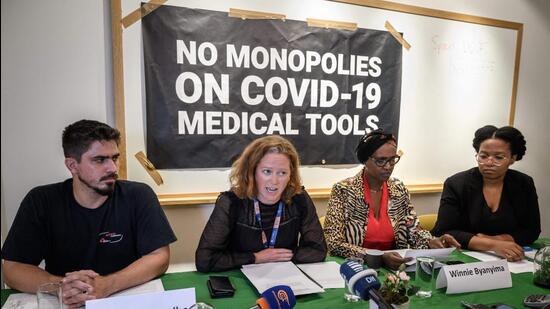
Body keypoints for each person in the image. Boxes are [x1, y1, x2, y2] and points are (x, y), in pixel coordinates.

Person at [1, 119, 177, 308]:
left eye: (115, 158)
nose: (113, 168)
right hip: (66, 302)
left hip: (124, 297)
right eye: (99, 160)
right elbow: (13, 268)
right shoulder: (41, 200)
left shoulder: (138, 195)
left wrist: (108, 285)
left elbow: (159, 256)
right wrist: (62, 287)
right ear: (72, 165)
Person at [324, 130, 460, 269]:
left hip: (393, 268)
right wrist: (377, 257)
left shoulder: (398, 189)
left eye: (392, 160)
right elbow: (333, 242)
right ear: (365, 160)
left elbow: (412, 229)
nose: (388, 167)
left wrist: (431, 241)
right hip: (355, 267)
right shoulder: (344, 190)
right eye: (381, 161)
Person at [195, 135, 327, 272]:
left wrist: (279, 256)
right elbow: (205, 260)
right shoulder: (231, 202)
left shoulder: (299, 198)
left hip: (284, 277)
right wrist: (255, 258)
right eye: (267, 171)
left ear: (290, 176)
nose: (274, 181)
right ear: (252, 172)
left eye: (282, 173)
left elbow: (318, 251)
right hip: (240, 280)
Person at [433, 125, 540, 262]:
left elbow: (531, 230)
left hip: (511, 259)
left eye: (499, 157)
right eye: (483, 156)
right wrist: (493, 245)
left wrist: (498, 240)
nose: (489, 162)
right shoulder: (456, 183)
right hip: (463, 257)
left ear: (512, 158)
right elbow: (444, 231)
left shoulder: (523, 183)